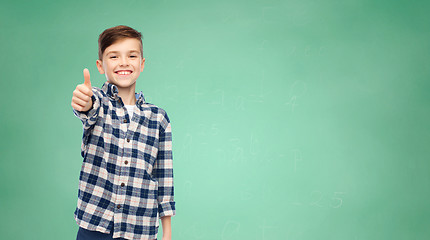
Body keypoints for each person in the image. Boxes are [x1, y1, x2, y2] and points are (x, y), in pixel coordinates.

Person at [71, 25, 175, 240]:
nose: (124, 62)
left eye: (132, 55)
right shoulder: (99, 103)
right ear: (101, 65)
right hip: (94, 226)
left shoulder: (159, 118)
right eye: (114, 56)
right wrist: (84, 101)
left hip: (140, 229)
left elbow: (164, 178)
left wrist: (167, 234)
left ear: (142, 63)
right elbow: (88, 108)